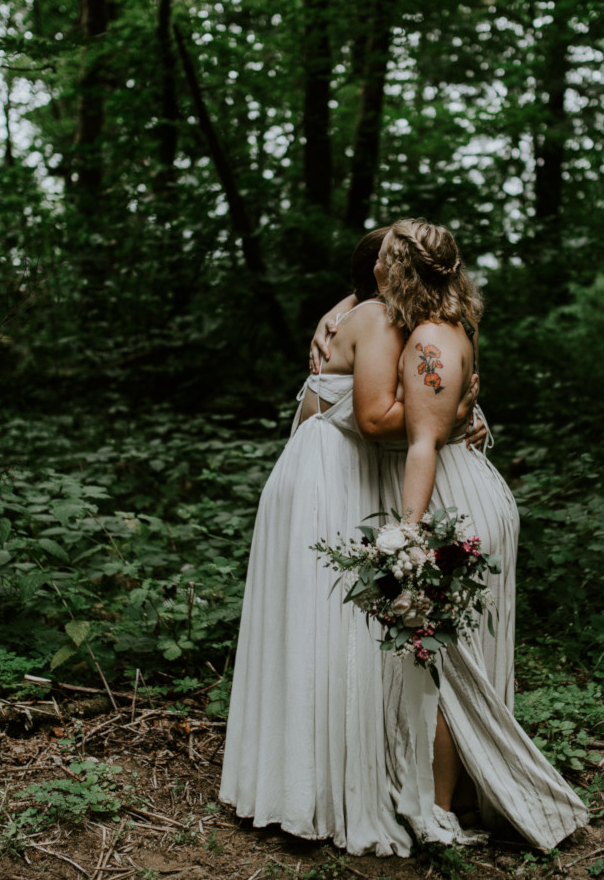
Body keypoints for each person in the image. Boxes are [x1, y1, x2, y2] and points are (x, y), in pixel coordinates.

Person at [219, 229, 480, 857]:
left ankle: (290, 783)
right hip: (327, 477)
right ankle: (320, 791)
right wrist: (455, 417)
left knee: (314, 620)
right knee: (328, 625)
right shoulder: (379, 319)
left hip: (314, 471)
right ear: (389, 274)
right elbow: (375, 418)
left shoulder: (359, 315)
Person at [372, 218, 589, 850]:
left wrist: (407, 537)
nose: (378, 270)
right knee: (458, 654)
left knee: (442, 660)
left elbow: (421, 443)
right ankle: (462, 793)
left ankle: (440, 810)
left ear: (401, 271)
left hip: (452, 501)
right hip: (476, 488)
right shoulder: (454, 327)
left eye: (385, 259)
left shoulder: (428, 343)